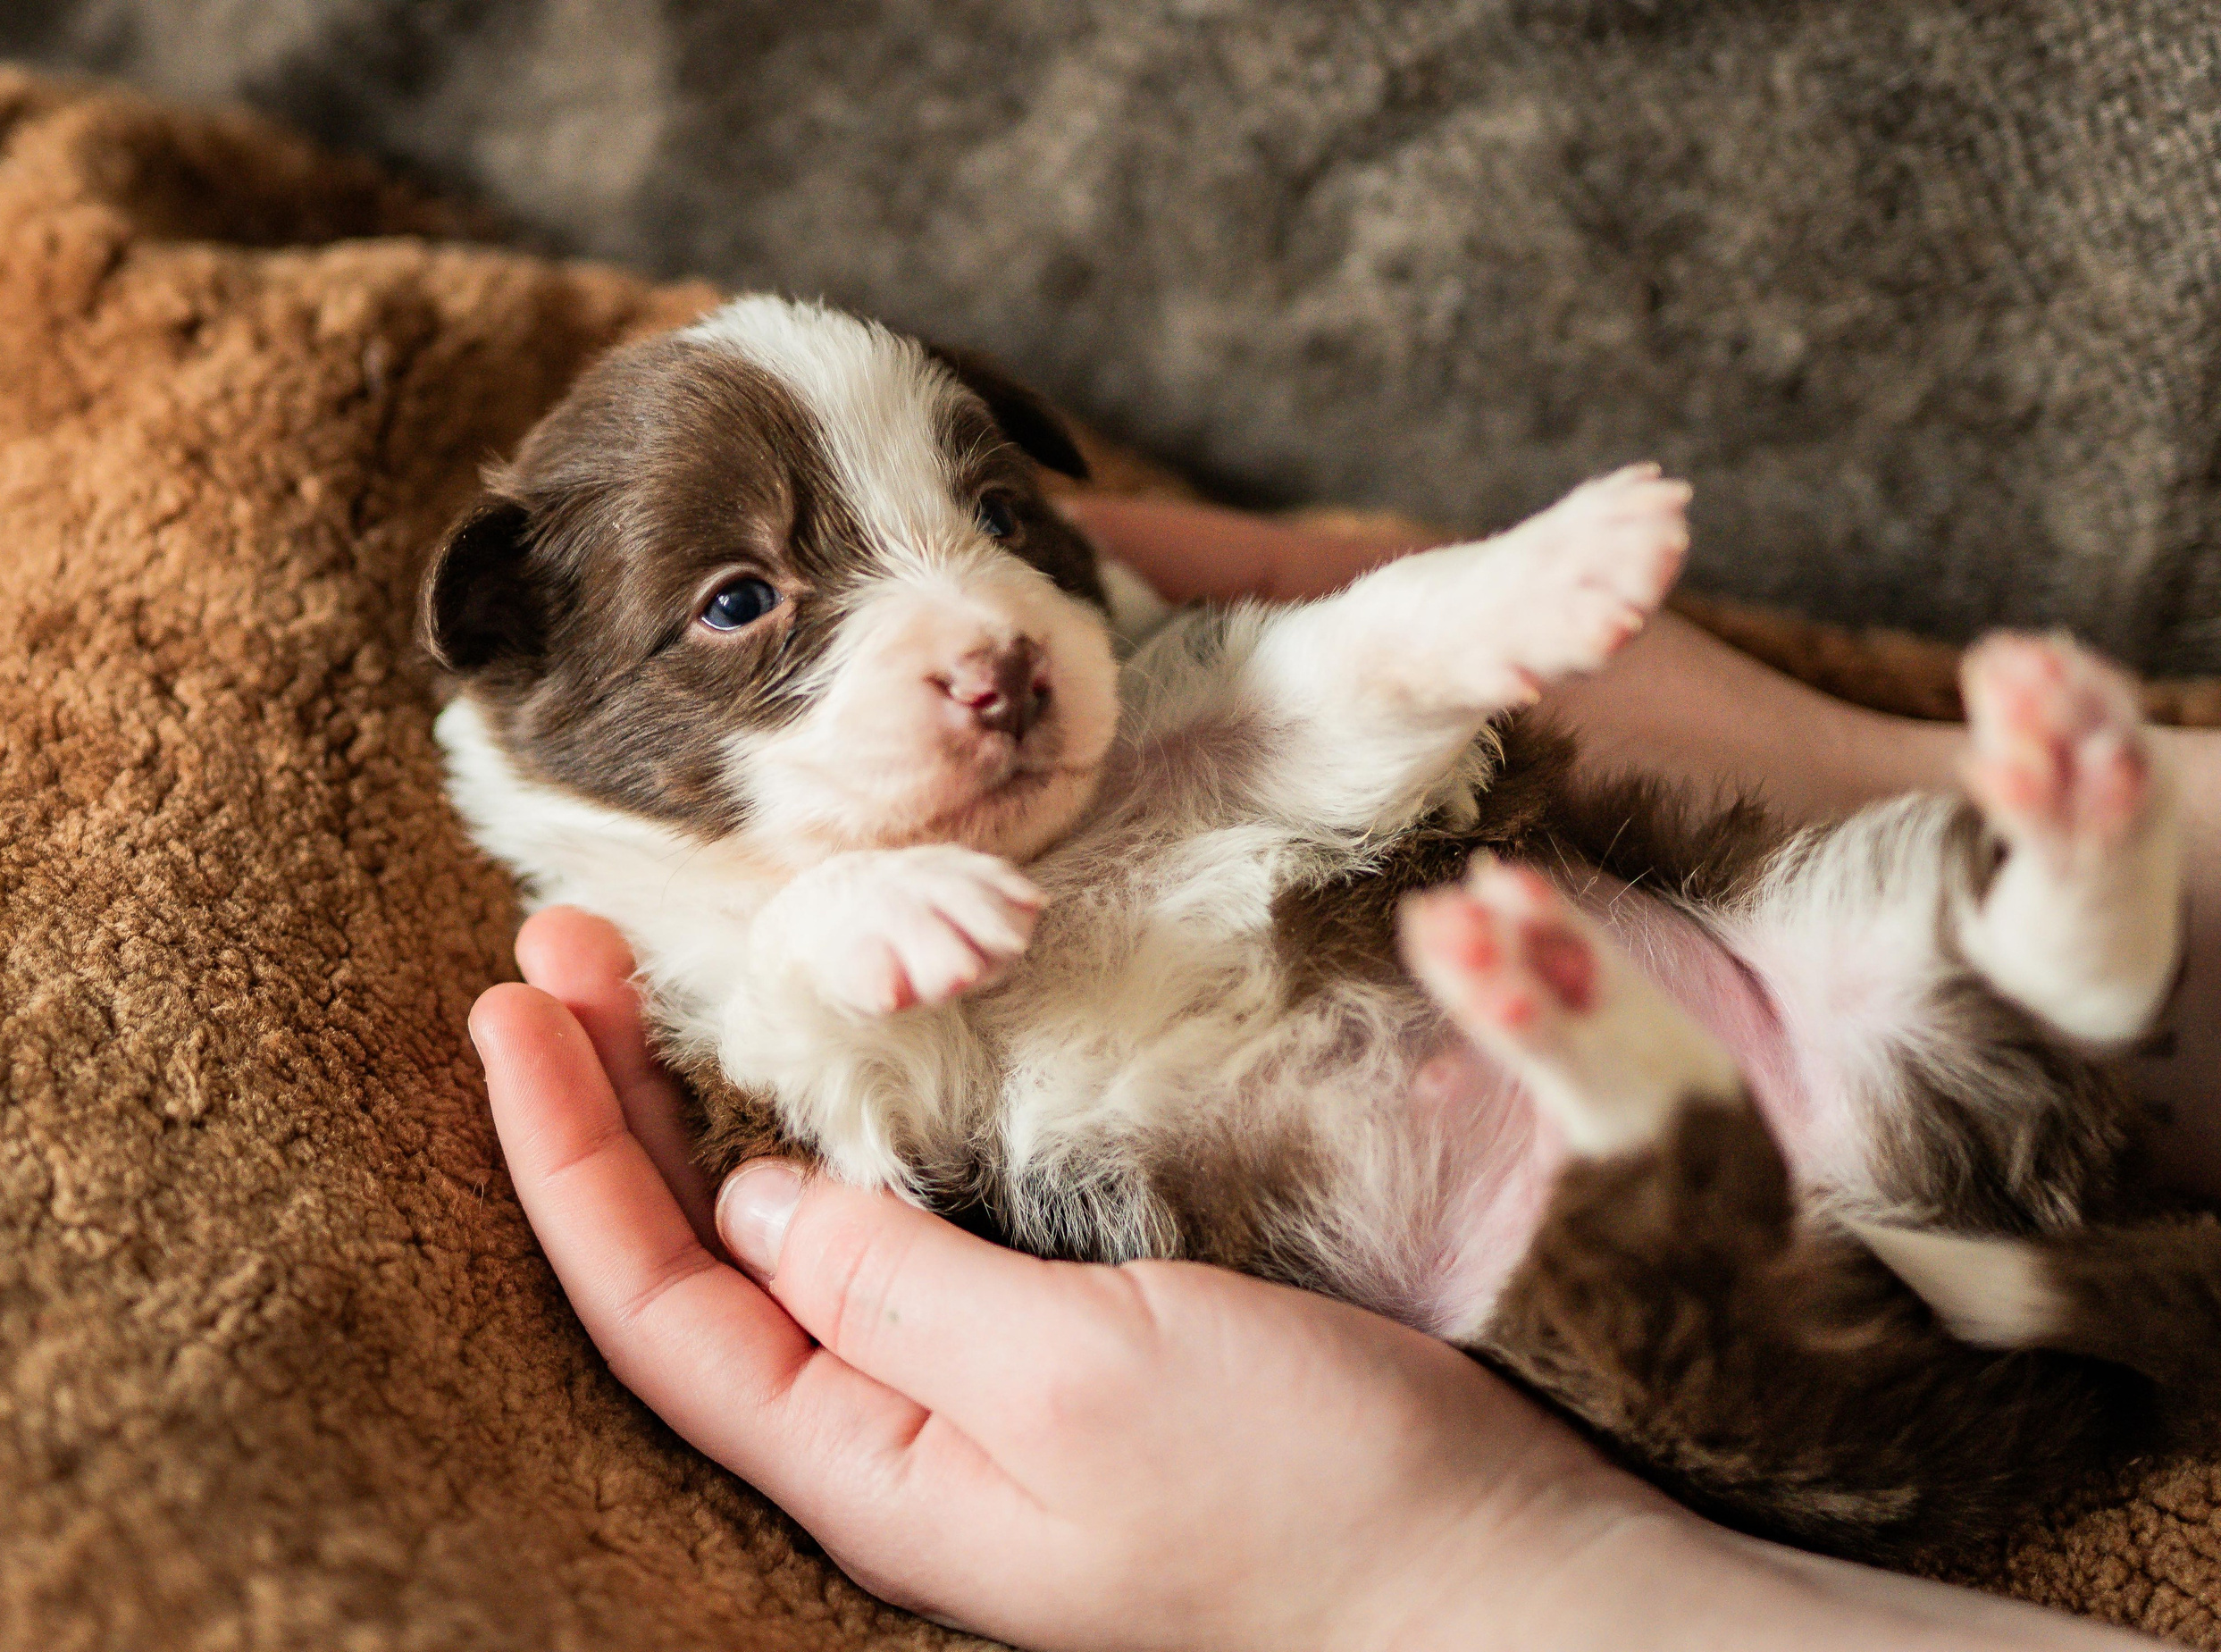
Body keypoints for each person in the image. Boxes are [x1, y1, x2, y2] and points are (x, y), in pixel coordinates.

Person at [470, 495, 2194, 1649]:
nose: (975, 626)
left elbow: (1296, 694)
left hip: (1792, 1026)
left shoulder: (1117, 697)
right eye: (748, 602)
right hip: (1638, 1285)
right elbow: (854, 1097)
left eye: (987, 516)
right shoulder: (709, 936)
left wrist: (1452, 624)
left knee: (1895, 949)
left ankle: (2065, 927)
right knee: (1673, 1291)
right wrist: (822, 931)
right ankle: (1842, 1029)